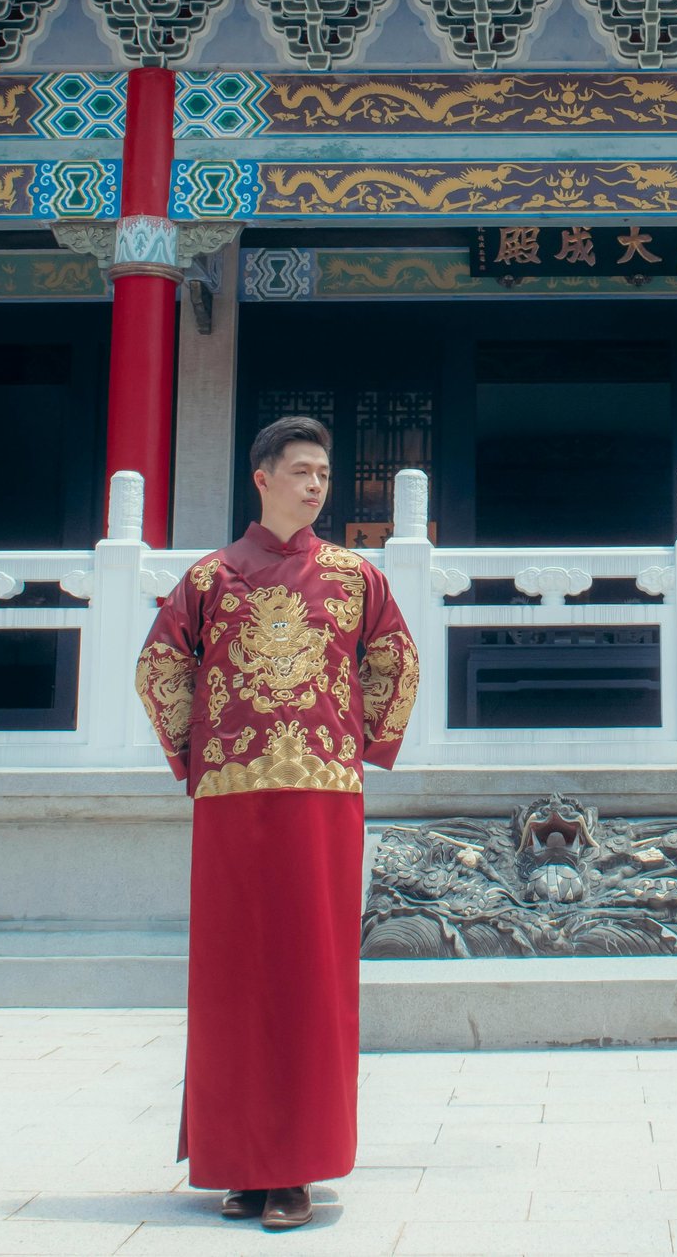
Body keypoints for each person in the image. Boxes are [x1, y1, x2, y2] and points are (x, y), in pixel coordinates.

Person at [133, 416, 420, 1232]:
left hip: (323, 800)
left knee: (310, 974)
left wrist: (349, 743)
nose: (316, 484)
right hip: (231, 800)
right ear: (262, 478)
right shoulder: (212, 577)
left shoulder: (354, 576)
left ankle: (293, 1166)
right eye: (301, 471)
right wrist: (201, 753)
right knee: (232, 976)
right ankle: (236, 1163)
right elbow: (160, 666)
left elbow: (394, 660)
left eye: (324, 473)